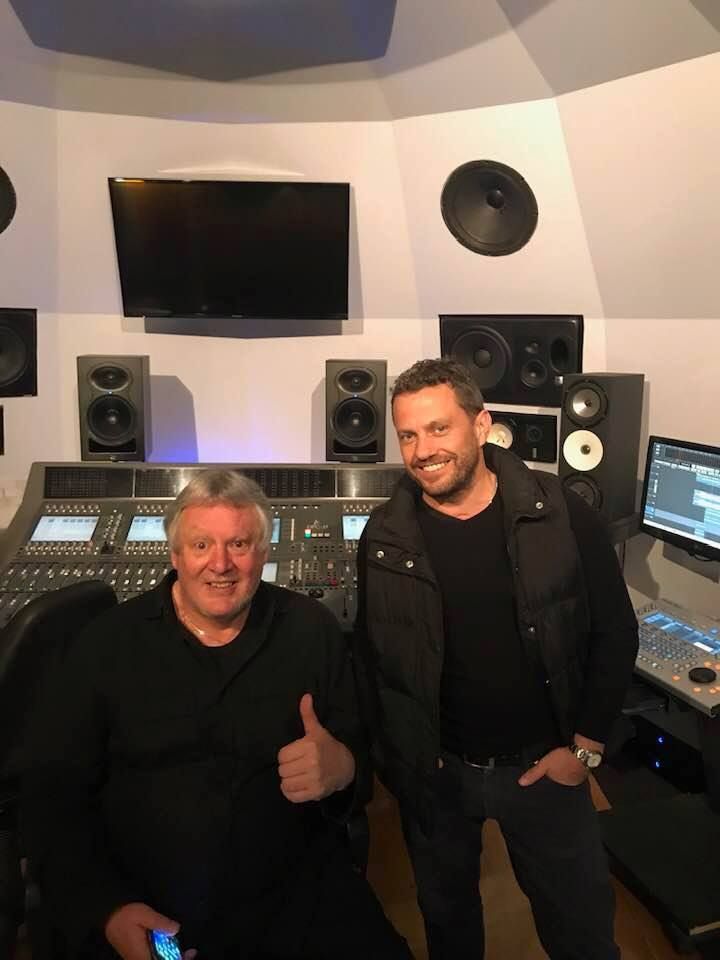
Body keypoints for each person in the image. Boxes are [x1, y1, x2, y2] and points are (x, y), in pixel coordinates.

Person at [22, 469, 412, 960]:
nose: (220, 564)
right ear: (175, 554)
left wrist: (343, 767)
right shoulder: (106, 645)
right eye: (202, 545)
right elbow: (51, 797)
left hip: (296, 893)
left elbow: (357, 759)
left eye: (240, 544)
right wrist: (108, 910)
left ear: (265, 552)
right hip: (150, 904)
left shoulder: (312, 631)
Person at [354, 358, 639, 960]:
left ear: (481, 426)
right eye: (408, 435)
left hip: (545, 770)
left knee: (582, 933)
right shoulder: (383, 535)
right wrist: (396, 762)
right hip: (437, 776)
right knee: (449, 927)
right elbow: (372, 656)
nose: (422, 450)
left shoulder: (562, 514)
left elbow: (615, 632)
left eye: (438, 429)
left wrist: (584, 749)